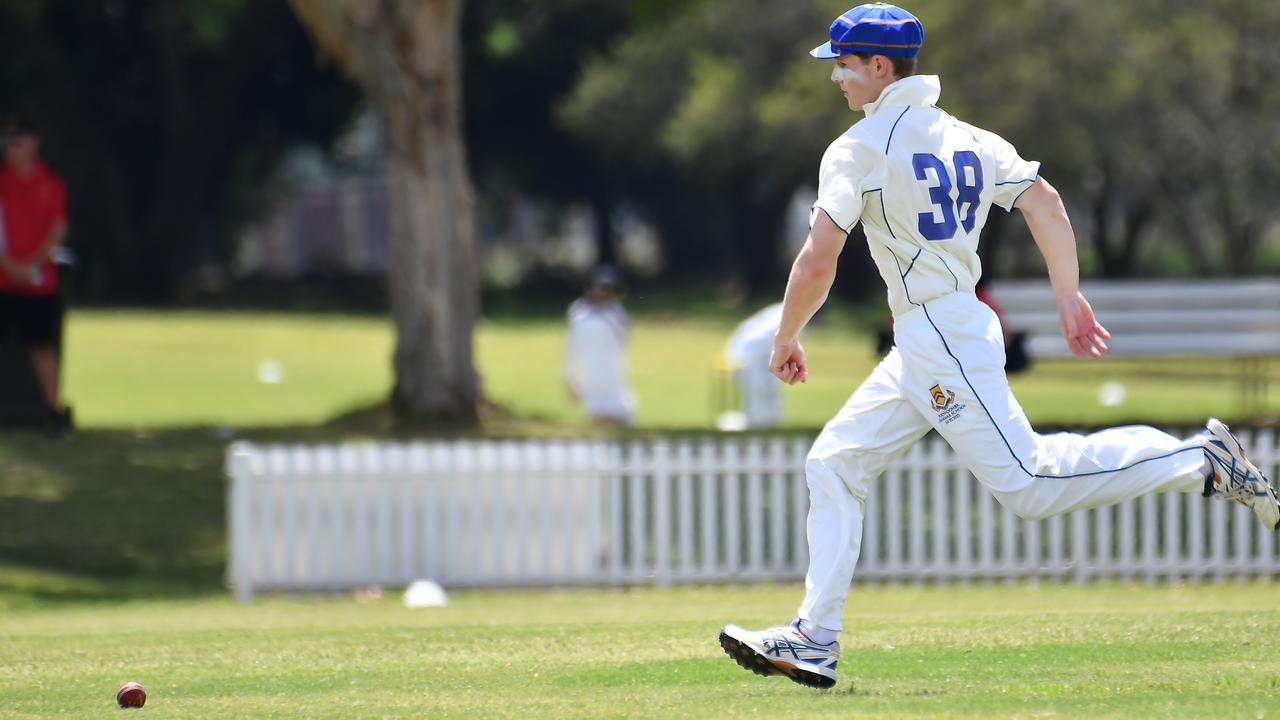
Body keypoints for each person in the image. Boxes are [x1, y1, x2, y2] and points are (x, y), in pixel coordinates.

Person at [717, 3, 1278, 690]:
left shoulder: (858, 148)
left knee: (1031, 484)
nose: (835, 77)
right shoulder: (969, 137)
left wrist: (784, 337)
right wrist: (1069, 295)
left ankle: (1198, 457)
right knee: (835, 463)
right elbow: (1045, 200)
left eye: (843, 63)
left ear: (879, 67)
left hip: (940, 337)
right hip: (938, 332)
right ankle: (814, 638)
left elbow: (816, 259)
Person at [0, 115, 70, 427]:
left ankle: (54, 411)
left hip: (39, 281)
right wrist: (9, 265)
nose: (11, 147)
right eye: (8, 141)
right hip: (3, 279)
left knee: (42, 348)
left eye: (18, 141)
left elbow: (57, 228)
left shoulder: (50, 184)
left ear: (33, 143)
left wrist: (31, 263)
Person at [563, 265, 634, 426]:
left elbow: (622, 339)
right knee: (597, 418)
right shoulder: (579, 312)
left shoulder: (616, 313)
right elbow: (571, 347)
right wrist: (570, 379)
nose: (601, 293)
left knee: (620, 415)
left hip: (613, 374)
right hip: (590, 374)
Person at [723, 302, 785, 428]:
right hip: (748, 356)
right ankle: (758, 430)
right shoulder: (795, 315)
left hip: (754, 354)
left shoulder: (787, 308)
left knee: (768, 396)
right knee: (760, 395)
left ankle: (768, 428)